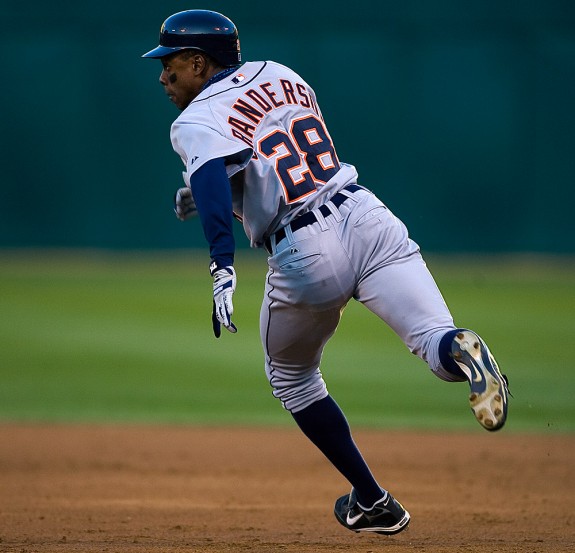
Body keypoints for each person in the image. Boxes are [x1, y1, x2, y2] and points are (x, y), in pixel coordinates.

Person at [142, 9, 510, 535]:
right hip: (365, 215)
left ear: (199, 63)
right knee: (434, 340)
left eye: (171, 65)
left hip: (304, 252)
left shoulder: (192, 120)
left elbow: (211, 173)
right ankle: (463, 349)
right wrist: (222, 197)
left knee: (291, 377)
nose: (163, 76)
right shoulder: (282, 73)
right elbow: (278, 152)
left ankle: (373, 498)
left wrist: (221, 261)